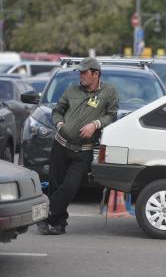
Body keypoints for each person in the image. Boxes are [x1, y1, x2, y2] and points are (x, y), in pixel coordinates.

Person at [37, 57, 119, 235]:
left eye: (84, 72)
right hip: (61, 145)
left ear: (95, 73)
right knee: (55, 185)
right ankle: (59, 224)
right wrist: (59, 125)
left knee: (70, 187)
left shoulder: (109, 92)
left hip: (83, 151)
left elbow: (112, 115)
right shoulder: (71, 89)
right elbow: (57, 111)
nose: (80, 76)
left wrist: (95, 124)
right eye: (80, 72)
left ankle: (44, 214)